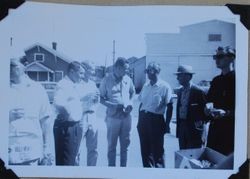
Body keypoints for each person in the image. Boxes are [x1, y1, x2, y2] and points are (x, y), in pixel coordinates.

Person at [9, 58, 53, 165]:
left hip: (31, 151)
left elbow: (45, 120)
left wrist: (46, 147)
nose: (7, 68)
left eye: (12, 65)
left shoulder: (37, 89)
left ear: (25, 65)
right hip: (7, 150)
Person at [99, 57, 135, 167]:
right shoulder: (106, 80)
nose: (127, 71)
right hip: (113, 117)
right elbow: (101, 98)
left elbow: (132, 93)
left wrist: (130, 103)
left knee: (125, 145)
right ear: (117, 68)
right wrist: (113, 106)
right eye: (125, 69)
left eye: (127, 69)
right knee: (111, 146)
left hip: (126, 117)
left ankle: (124, 171)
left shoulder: (128, 79)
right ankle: (112, 171)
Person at [137, 62, 172, 168]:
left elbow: (170, 106)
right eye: (146, 71)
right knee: (145, 151)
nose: (147, 73)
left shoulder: (165, 86)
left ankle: (160, 174)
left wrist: (167, 125)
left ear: (157, 71)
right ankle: (148, 173)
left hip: (156, 120)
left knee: (157, 151)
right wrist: (139, 121)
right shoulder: (145, 85)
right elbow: (141, 104)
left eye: (150, 71)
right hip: (144, 119)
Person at [53, 61, 85, 165]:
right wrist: (67, 117)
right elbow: (58, 103)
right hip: (67, 128)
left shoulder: (72, 85)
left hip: (73, 126)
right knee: (66, 161)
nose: (82, 76)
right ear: (71, 72)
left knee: (72, 159)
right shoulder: (63, 84)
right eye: (80, 73)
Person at [205, 46, 235, 155]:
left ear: (231, 58)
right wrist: (208, 108)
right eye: (215, 57)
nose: (216, 60)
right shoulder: (216, 80)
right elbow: (209, 100)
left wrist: (226, 113)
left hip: (230, 131)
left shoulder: (238, 79)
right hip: (215, 129)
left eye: (220, 56)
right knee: (212, 160)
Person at [174, 65, 206, 150]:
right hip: (182, 127)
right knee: (183, 156)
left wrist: (201, 131)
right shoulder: (180, 91)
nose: (177, 78)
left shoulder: (198, 92)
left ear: (188, 76)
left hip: (194, 130)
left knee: (193, 156)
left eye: (179, 75)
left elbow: (205, 114)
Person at [76, 61, 100, 166]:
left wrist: (96, 99)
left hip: (92, 116)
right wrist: (86, 97)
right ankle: (75, 173)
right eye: (91, 69)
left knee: (93, 148)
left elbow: (97, 101)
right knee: (77, 149)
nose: (93, 72)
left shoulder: (92, 84)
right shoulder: (76, 84)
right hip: (81, 116)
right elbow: (74, 102)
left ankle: (91, 172)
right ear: (84, 69)